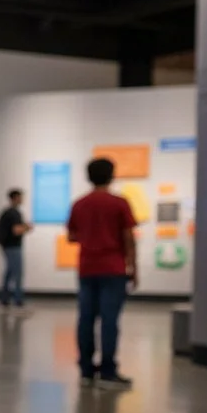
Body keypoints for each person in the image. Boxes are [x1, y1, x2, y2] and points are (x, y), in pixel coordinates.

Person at [66, 158, 136, 390]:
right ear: (112, 175)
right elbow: (128, 237)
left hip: (87, 268)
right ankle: (107, 371)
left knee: (85, 319)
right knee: (109, 321)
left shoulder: (79, 204)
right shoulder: (119, 203)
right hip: (113, 268)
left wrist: (89, 235)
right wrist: (132, 268)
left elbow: (71, 236)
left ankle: (86, 371)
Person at [0, 188, 34, 312]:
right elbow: (16, 230)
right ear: (15, 198)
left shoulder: (7, 212)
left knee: (9, 272)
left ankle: (4, 298)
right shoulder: (14, 213)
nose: (22, 199)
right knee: (17, 273)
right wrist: (27, 227)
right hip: (13, 246)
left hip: (7, 246)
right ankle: (18, 300)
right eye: (20, 197)